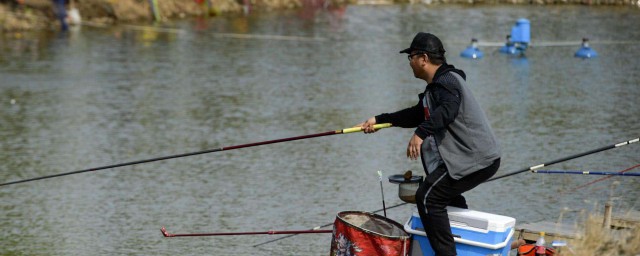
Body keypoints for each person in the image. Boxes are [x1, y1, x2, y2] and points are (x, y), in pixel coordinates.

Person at [356, 32, 501, 256]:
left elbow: (448, 110)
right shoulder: (435, 88)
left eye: (411, 57)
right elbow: (417, 114)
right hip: (470, 159)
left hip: (475, 158)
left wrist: (421, 133)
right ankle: (467, 249)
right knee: (447, 199)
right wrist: (380, 120)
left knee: (428, 197)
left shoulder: (448, 82)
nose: (410, 62)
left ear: (423, 58)